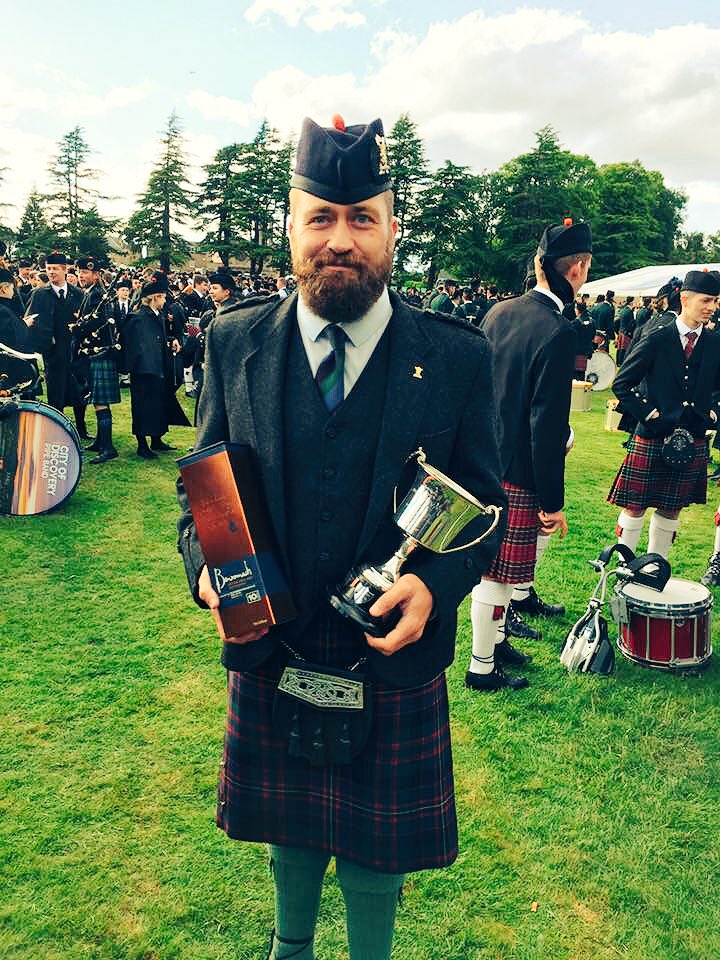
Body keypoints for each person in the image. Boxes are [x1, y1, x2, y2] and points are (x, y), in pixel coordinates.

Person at [177, 113, 505, 960]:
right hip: (274, 646)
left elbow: (488, 509)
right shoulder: (233, 341)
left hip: (389, 659)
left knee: (372, 851)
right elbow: (202, 496)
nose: (340, 239)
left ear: (394, 227)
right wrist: (208, 572)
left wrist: (435, 583)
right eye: (320, 217)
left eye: (362, 217)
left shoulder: (458, 357)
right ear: (290, 225)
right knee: (292, 836)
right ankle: (290, 949)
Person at [466, 220, 592, 691]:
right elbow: (544, 424)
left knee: (494, 571)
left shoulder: (499, 311)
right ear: (577, 269)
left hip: (484, 459)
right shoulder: (558, 330)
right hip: (518, 470)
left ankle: (496, 644)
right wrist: (552, 502)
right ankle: (481, 667)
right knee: (497, 578)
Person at [609, 270, 720, 558]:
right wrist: (648, 414)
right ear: (685, 298)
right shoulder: (658, 336)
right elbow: (622, 384)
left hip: (693, 436)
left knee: (672, 508)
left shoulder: (715, 343)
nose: (712, 307)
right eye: (706, 300)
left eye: (716, 301)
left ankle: (655, 569)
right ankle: (624, 567)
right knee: (634, 505)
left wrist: (712, 414)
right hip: (653, 435)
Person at [124, 272, 190, 459]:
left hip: (160, 368)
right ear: (155, 298)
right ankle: (142, 444)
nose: (165, 300)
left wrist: (171, 340)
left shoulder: (158, 315)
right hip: (144, 371)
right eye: (162, 297)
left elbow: (159, 337)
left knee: (158, 406)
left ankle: (157, 439)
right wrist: (137, 366)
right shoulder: (136, 317)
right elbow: (131, 344)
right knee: (143, 407)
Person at [23, 252, 86, 424]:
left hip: (75, 353)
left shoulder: (78, 294)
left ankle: (81, 427)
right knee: (56, 393)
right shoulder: (39, 294)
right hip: (53, 353)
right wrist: (45, 342)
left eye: (55, 269)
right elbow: (30, 321)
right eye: (48, 269)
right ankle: (56, 428)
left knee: (78, 391)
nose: (51, 272)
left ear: (64, 270)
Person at [74, 256, 121, 463]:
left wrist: (76, 327)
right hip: (95, 352)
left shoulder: (97, 295)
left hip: (99, 352)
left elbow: (96, 324)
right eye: (79, 272)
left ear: (95, 274)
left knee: (101, 402)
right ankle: (101, 442)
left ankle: (108, 447)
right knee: (97, 400)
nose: (80, 276)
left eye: (84, 273)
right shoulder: (93, 293)